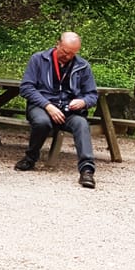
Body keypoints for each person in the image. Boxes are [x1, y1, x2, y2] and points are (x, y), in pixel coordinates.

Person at [16, 32, 100, 189]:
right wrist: (48, 105)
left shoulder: (83, 66)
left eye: (72, 54)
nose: (68, 56)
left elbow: (92, 95)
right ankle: (30, 158)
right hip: (42, 106)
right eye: (65, 52)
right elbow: (26, 88)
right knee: (42, 122)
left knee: (82, 124)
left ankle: (87, 171)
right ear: (58, 44)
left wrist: (83, 102)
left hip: (69, 111)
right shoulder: (38, 59)